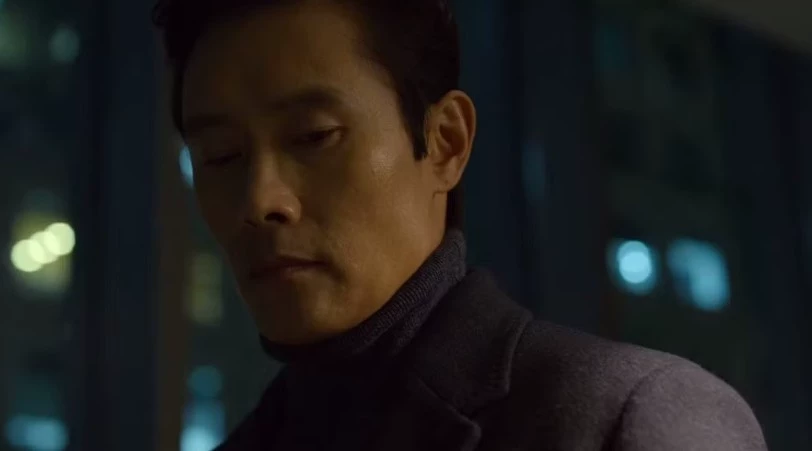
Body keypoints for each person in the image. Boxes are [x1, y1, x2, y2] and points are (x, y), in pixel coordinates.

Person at [152, 0, 768, 449]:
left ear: (445, 143)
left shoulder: (630, 416)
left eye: (314, 136)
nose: (260, 200)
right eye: (220, 157)